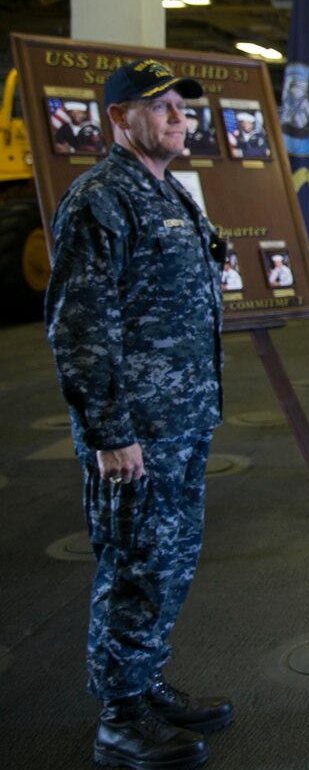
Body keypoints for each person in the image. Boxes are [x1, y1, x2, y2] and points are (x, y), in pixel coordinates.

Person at [45, 59, 233, 770]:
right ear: (119, 118)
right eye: (160, 107)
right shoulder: (100, 198)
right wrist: (109, 432)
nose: (178, 117)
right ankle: (120, 719)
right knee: (132, 565)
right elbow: (79, 326)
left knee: (168, 561)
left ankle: (144, 684)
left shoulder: (170, 192)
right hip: (136, 432)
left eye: (181, 107)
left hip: (181, 419)